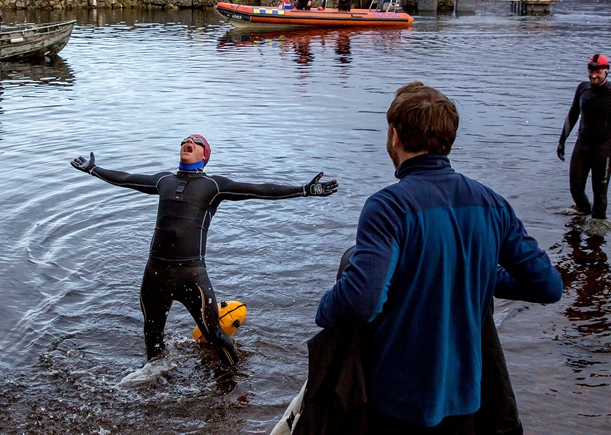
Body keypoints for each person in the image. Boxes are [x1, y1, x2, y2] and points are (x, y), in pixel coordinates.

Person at [316, 82, 562, 433]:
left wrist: (325, 307)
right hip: (466, 399)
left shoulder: (387, 207)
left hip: (397, 402)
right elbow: (548, 285)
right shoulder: (491, 203)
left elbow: (361, 301)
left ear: (395, 136)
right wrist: (477, 274)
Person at [71, 135, 338, 366]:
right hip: (155, 273)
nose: (188, 142)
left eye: (196, 142)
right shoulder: (163, 180)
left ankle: (234, 380)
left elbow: (259, 190)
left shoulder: (213, 186)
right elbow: (127, 179)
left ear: (204, 155)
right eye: (185, 140)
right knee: (152, 337)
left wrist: (304, 190)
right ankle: (154, 381)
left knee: (214, 334)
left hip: (191, 275)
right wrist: (93, 169)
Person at [557, 54, 611, 222]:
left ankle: (597, 233)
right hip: (583, 145)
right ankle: (583, 209)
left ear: (606, 72)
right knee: (576, 188)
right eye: (590, 71)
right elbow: (573, 115)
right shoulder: (582, 88)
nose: (593, 75)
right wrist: (562, 141)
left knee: (599, 193)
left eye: (598, 72)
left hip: (604, 148)